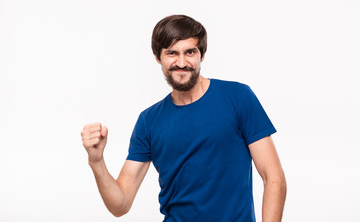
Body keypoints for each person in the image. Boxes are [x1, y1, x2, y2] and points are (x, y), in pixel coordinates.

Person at [81, 14, 287, 222]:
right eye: (172, 53)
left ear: (202, 55)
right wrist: (96, 161)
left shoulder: (238, 97)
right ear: (158, 57)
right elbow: (121, 204)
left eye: (190, 52)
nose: (181, 62)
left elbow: (274, 178)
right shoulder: (149, 121)